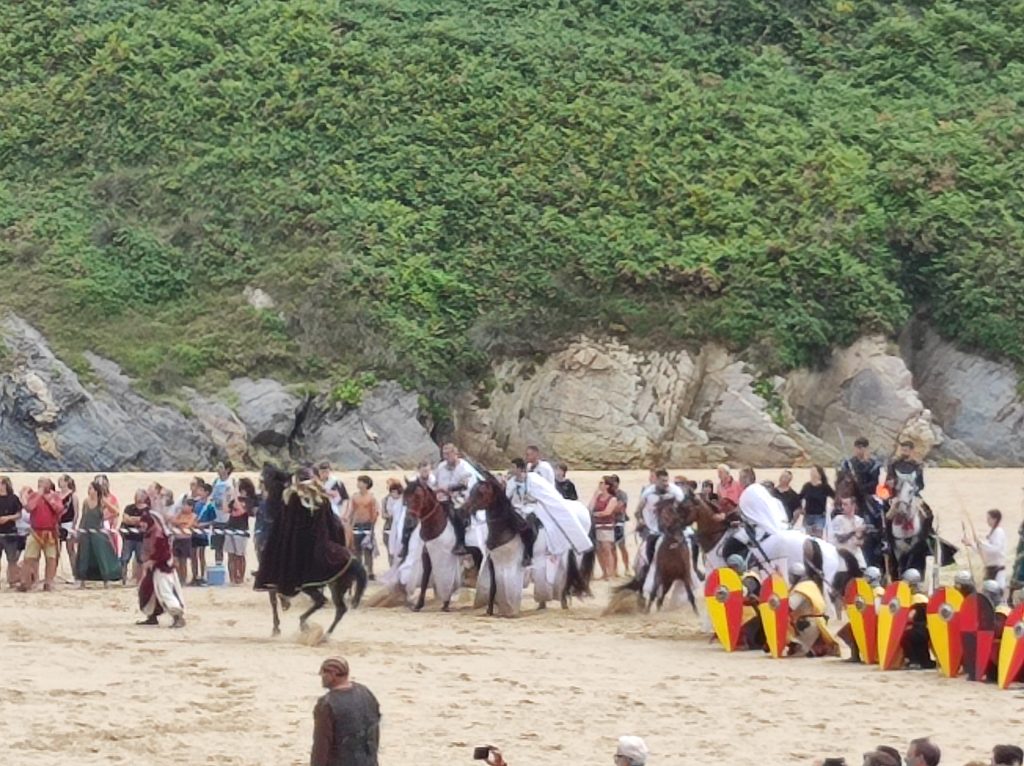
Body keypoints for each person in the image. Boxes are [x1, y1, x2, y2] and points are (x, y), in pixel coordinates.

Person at [311, 657, 381, 766]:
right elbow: (374, 732)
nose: (321, 676)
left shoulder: (326, 705)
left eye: (324, 672)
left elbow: (321, 746)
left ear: (333, 674)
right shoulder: (365, 693)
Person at [136, 509, 186, 628]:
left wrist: (152, 561)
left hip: (162, 569)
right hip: (153, 570)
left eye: (144, 522)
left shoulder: (159, 536)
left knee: (165, 592)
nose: (142, 525)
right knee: (148, 592)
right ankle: (152, 616)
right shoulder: (150, 534)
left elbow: (165, 555)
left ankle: (178, 617)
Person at [74, 479, 121, 588]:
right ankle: (82, 581)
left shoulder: (102, 501)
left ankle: (106, 581)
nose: (88, 490)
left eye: (90, 488)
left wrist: (104, 517)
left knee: (101, 556)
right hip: (86, 532)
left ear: (96, 490)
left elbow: (116, 512)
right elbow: (83, 517)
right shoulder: (86, 502)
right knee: (84, 556)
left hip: (97, 532)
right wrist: (79, 531)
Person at [19, 478, 64, 592]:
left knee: (51, 558)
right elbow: (29, 508)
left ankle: (48, 582)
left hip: (50, 532)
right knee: (29, 557)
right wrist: (39, 495)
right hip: (35, 531)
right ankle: (25, 582)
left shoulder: (55, 496)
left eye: (43, 484)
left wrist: (48, 499)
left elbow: (59, 509)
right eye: (39, 483)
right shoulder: (34, 496)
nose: (41, 486)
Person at [435, 443, 478, 555]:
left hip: (461, 498)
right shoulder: (441, 467)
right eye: (444, 454)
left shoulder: (464, 467)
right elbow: (435, 482)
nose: (446, 457)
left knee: (456, 513)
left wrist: (448, 489)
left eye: (448, 454)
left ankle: (460, 542)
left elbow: (464, 484)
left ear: (455, 453)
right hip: (441, 498)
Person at [589, 477, 621, 580]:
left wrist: (595, 514)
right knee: (599, 550)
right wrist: (594, 496)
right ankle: (604, 572)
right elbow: (590, 508)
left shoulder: (612, 499)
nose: (600, 484)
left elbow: (607, 512)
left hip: (606, 527)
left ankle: (610, 573)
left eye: (602, 483)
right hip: (597, 526)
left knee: (607, 549)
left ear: (607, 485)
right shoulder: (598, 497)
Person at [225, 477, 256, 584]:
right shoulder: (235, 499)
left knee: (240, 555)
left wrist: (235, 494)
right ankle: (232, 578)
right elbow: (226, 509)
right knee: (231, 555)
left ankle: (240, 577)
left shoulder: (249, 500)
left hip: (241, 529)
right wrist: (226, 496)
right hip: (230, 527)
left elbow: (241, 510)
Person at [965, 509, 1008, 586]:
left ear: (995, 519)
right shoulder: (992, 533)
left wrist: (980, 542)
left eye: (989, 519)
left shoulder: (999, 532)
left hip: (997, 570)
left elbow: (996, 549)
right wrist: (971, 544)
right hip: (990, 569)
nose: (987, 521)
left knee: (997, 590)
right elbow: (984, 551)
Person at [350, 476, 379, 580]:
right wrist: (351, 524)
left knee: (368, 549)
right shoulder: (354, 497)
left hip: (367, 525)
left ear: (366, 484)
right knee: (356, 550)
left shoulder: (371, 498)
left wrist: (372, 526)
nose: (358, 484)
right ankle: (358, 571)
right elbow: (352, 511)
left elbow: (374, 513)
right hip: (356, 525)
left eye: (361, 482)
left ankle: (370, 571)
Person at [793, 465, 834, 539]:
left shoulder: (825, 487)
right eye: (811, 471)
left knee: (818, 538)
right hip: (808, 516)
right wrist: (801, 508)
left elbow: (835, 496)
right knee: (809, 538)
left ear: (819, 474)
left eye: (814, 471)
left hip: (820, 516)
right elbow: (799, 498)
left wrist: (833, 506)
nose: (812, 473)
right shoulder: (807, 486)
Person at [120, 489, 150, 584]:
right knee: (124, 559)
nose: (137, 497)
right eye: (136, 495)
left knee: (141, 560)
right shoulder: (129, 507)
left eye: (139, 495)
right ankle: (123, 579)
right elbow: (125, 519)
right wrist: (138, 520)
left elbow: (146, 522)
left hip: (141, 539)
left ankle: (140, 580)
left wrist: (132, 519)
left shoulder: (148, 509)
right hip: (128, 538)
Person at [209, 461, 236, 566]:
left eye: (220, 467)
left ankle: (231, 571)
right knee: (217, 547)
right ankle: (218, 567)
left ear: (227, 469)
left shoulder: (231, 482)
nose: (218, 469)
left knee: (230, 549)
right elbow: (211, 497)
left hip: (228, 519)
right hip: (216, 519)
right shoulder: (216, 481)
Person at [191, 481, 217, 585]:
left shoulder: (209, 506)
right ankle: (194, 576)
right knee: (193, 555)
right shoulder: (196, 504)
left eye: (201, 490)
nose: (199, 492)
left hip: (203, 534)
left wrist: (202, 525)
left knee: (201, 555)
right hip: (194, 532)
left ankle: (202, 575)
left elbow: (213, 520)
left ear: (207, 492)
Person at [0, 476, 24, 589]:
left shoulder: (13, 498)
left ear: (6, 485)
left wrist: (8, 518)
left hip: (10, 532)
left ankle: (12, 580)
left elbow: (19, 514)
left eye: (1, 483)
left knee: (12, 559)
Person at [830, 495, 866, 566]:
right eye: (842, 504)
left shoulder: (859, 520)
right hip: (842, 555)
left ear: (853, 506)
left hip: (856, 554)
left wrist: (860, 539)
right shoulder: (838, 519)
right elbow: (840, 539)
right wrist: (853, 531)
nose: (842, 507)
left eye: (845, 504)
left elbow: (861, 541)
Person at [319, 461, 351, 536]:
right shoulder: (317, 483)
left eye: (326, 472)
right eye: (322, 472)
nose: (324, 474)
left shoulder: (336, 482)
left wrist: (345, 514)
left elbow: (345, 498)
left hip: (335, 509)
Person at [57, 474, 80, 578]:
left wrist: (73, 526)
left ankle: (75, 573)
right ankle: (54, 573)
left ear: (67, 482)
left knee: (70, 550)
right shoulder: (57, 495)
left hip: (68, 523)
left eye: (61, 480)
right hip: (58, 523)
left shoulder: (72, 496)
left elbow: (76, 512)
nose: (59, 482)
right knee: (56, 550)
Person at [381, 479, 407, 567]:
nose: (392, 493)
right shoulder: (386, 500)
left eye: (394, 491)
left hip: (402, 528)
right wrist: (390, 516)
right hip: (389, 527)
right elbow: (383, 514)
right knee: (390, 550)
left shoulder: (404, 501)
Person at [171, 498, 197, 584]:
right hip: (177, 539)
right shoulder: (179, 514)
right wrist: (181, 522)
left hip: (185, 539)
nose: (183, 507)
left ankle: (183, 579)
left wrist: (180, 523)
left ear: (191, 507)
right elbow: (173, 521)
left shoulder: (193, 515)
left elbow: (188, 525)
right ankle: (178, 578)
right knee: (176, 560)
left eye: (185, 505)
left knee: (183, 561)